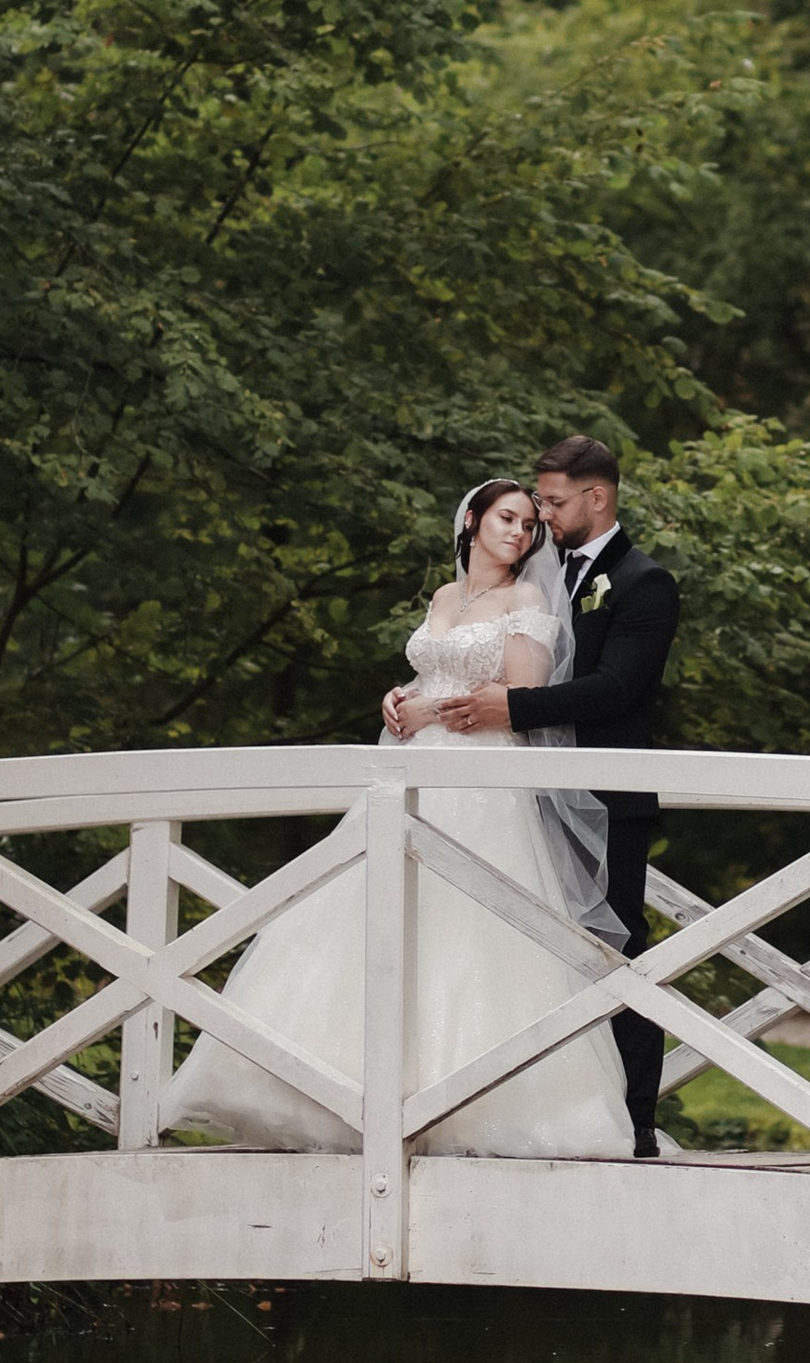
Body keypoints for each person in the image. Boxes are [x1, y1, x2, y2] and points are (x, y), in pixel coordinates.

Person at [165, 479, 639, 1158]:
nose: (520, 533)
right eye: (508, 518)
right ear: (472, 520)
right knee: (360, 917)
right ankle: (334, 1092)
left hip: (479, 784)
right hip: (409, 778)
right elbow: (433, 675)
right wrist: (402, 697)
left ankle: (473, 1106)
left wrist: (429, 710)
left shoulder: (527, 599)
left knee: (469, 931)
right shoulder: (446, 599)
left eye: (531, 525)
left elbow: (523, 696)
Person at [392, 436, 681, 1157]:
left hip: (601, 794)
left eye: (550, 505)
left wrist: (509, 710)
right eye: (529, 508)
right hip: (491, 781)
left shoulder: (643, 583)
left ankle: (631, 1124)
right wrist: (411, 700)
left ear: (597, 498)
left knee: (609, 955)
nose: (539, 521)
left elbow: (617, 688)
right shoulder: (523, 578)